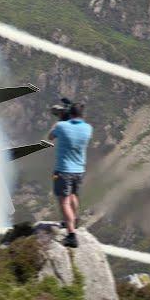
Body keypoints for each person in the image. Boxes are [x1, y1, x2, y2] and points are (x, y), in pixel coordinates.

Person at [48, 102, 92, 248]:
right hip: (79, 170)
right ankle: (74, 220)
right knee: (73, 196)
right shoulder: (88, 128)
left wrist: (60, 119)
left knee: (64, 202)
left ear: (69, 113)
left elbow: (50, 137)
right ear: (81, 114)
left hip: (64, 170)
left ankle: (71, 235)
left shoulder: (61, 126)